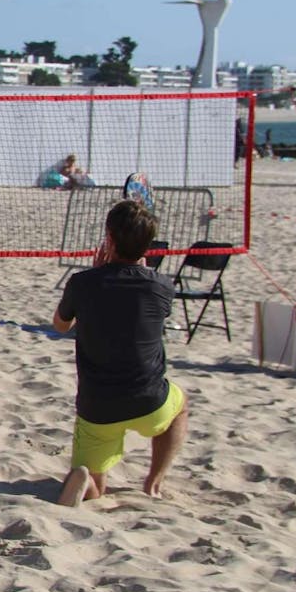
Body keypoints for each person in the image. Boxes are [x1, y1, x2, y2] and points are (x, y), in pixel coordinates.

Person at [51, 199, 188, 506]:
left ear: (109, 239)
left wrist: (98, 275)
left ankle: (88, 484)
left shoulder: (82, 283)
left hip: (98, 406)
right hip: (150, 400)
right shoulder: (162, 286)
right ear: (149, 247)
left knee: (96, 482)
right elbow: (135, 306)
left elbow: (60, 326)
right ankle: (153, 483)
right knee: (180, 407)